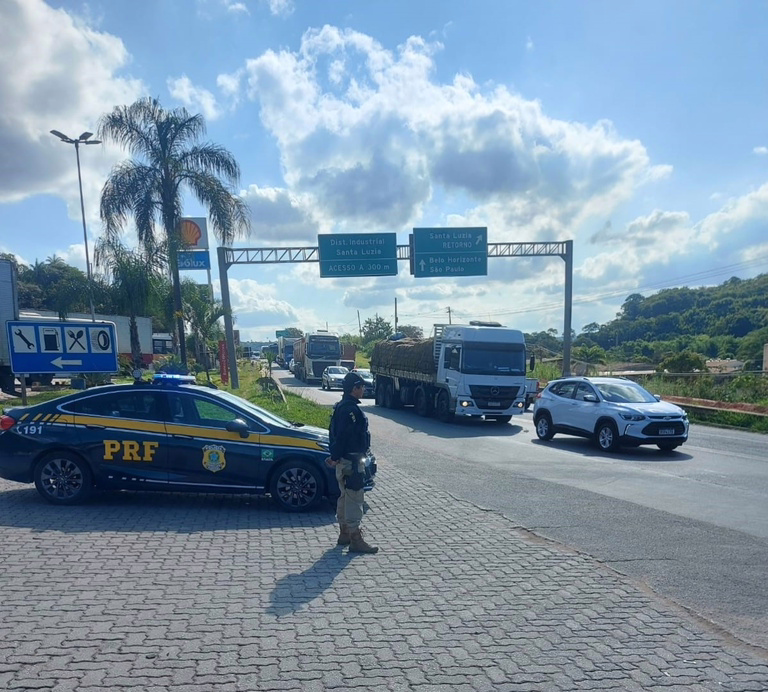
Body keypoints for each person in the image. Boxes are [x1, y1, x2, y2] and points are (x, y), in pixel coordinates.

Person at [326, 371, 379, 554]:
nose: (363, 390)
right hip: (352, 463)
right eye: (361, 387)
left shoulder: (341, 406)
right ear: (354, 389)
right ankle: (356, 539)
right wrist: (335, 456)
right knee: (355, 499)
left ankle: (344, 534)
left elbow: (335, 436)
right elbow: (343, 437)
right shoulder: (351, 410)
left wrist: (334, 457)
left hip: (344, 461)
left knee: (344, 497)